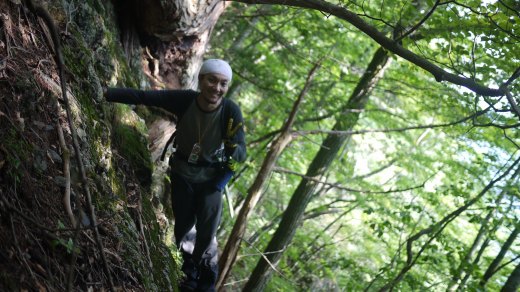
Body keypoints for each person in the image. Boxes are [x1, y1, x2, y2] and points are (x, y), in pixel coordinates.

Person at [104, 59, 246, 291]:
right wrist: (108, 93)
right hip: (182, 173)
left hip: (212, 180)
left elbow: (241, 155)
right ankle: (187, 272)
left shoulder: (230, 112)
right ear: (201, 79)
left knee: (207, 231)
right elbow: (145, 97)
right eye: (212, 80)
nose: (216, 88)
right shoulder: (186, 100)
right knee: (183, 225)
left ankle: (205, 280)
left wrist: (232, 146)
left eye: (223, 84)